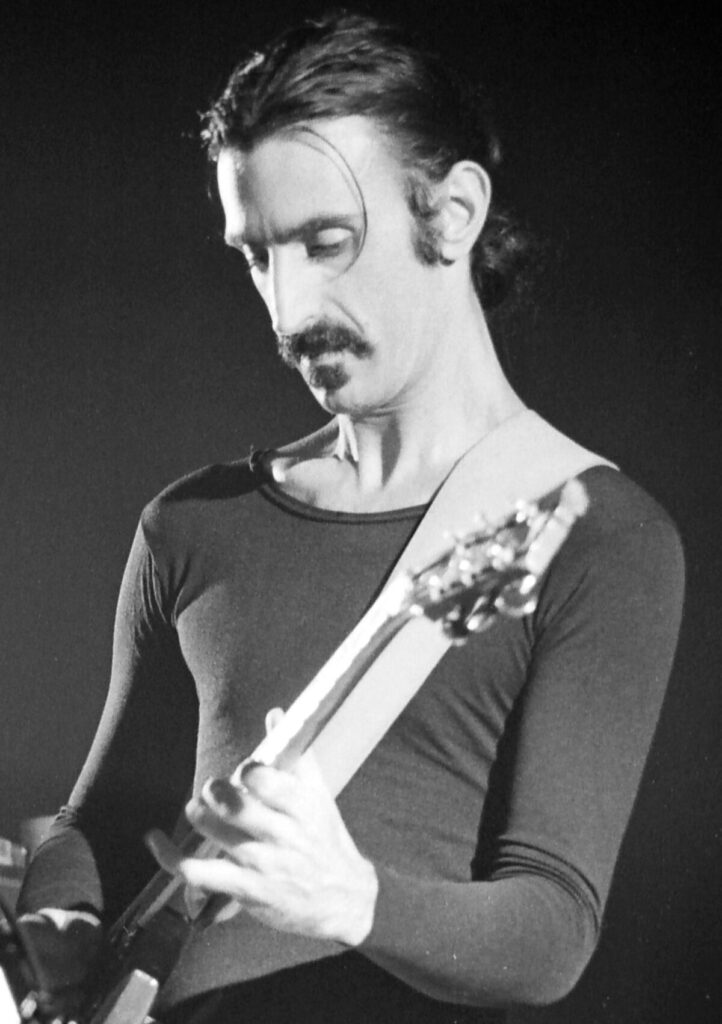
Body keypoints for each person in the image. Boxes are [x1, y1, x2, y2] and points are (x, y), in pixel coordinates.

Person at [17, 11, 685, 1024]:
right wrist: (60, 918)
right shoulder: (190, 525)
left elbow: (553, 927)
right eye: (257, 257)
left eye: (325, 242)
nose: (288, 312)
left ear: (452, 212)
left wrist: (352, 898)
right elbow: (93, 827)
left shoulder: (595, 532)